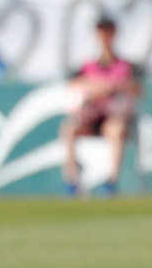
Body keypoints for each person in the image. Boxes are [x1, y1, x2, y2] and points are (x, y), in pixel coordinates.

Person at [60, 15, 142, 196]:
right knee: (69, 129)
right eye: (101, 32)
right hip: (90, 116)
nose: (105, 36)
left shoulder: (126, 66)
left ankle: (110, 182)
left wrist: (114, 86)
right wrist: (95, 87)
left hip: (113, 116)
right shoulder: (87, 65)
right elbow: (74, 85)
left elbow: (137, 89)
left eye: (108, 31)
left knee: (116, 129)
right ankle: (72, 180)